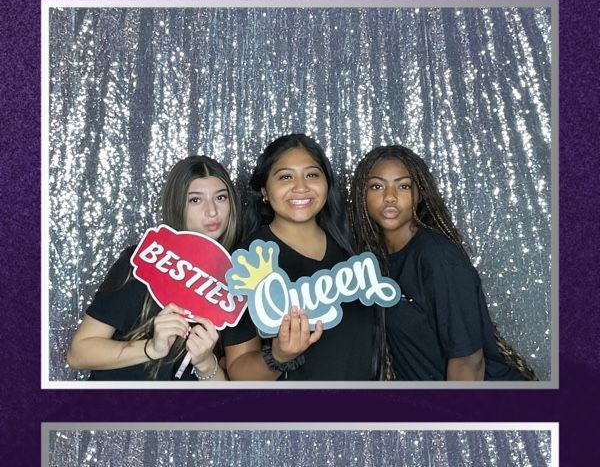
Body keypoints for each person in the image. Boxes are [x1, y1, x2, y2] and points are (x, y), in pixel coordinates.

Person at [350, 144, 536, 381]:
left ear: (419, 194)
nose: (389, 197)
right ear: (362, 195)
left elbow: (469, 362)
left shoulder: (437, 257)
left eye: (403, 186)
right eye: (377, 186)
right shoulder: (373, 261)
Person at [224, 133, 382, 382]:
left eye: (312, 175)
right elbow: (238, 371)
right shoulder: (247, 262)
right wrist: (279, 356)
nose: (301, 187)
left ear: (327, 183)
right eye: (286, 177)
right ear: (264, 190)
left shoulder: (354, 249)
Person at [67, 154, 240, 382]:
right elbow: (79, 353)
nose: (212, 211)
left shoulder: (239, 280)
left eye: (220, 197)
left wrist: (205, 363)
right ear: (176, 206)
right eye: (195, 200)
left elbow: (227, 398)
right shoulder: (143, 260)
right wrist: (151, 348)